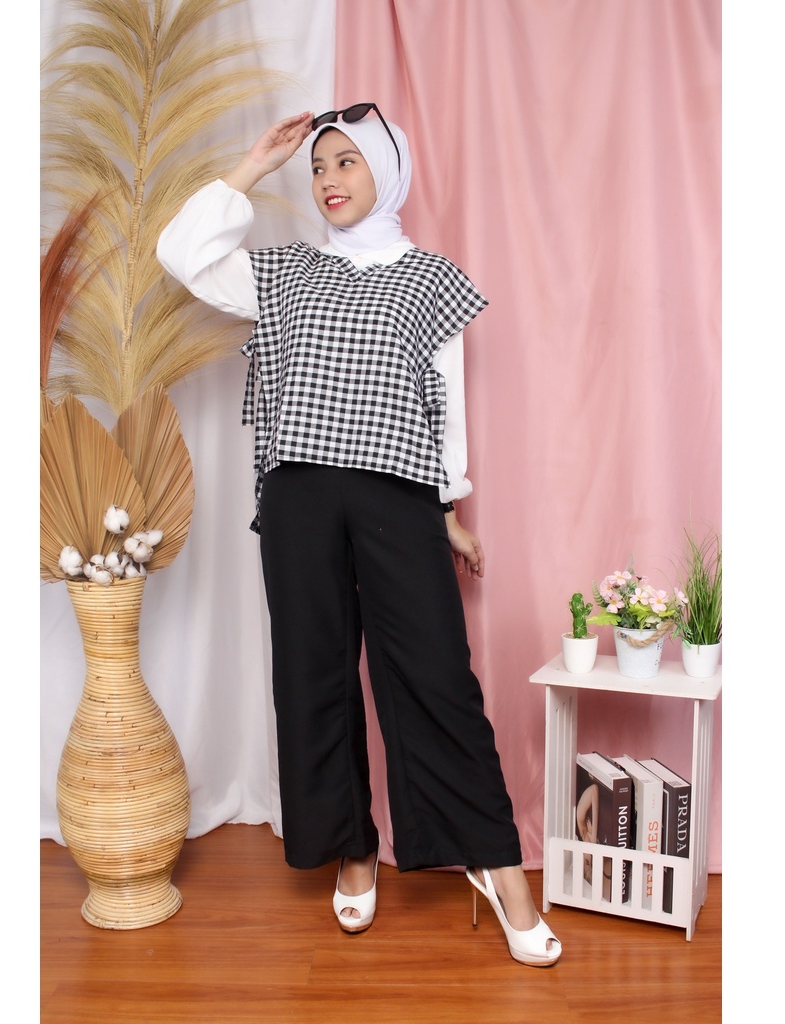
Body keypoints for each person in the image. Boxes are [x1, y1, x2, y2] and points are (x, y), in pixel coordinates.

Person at [157, 104, 561, 967]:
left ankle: (497, 865)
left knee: (435, 678)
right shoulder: (282, 272)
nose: (328, 180)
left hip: (397, 496)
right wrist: (253, 165)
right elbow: (180, 254)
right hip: (299, 495)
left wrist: (449, 509)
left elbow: (442, 401)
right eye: (318, 167)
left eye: (347, 162)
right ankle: (351, 844)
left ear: (388, 169)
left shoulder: (431, 279)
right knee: (314, 676)